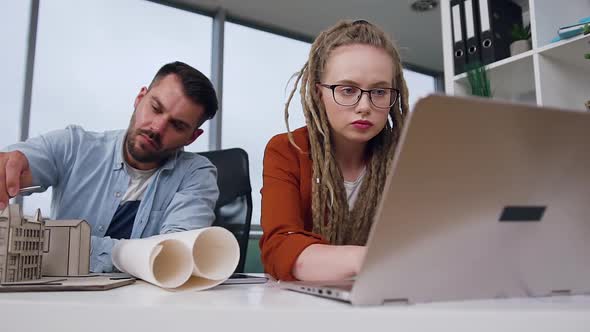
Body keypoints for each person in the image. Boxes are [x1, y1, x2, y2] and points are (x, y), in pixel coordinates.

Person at [0, 61, 219, 272]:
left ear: (192, 137)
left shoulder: (197, 175)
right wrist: (10, 165)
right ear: (139, 98)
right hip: (61, 300)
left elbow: (173, 257)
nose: (157, 128)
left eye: (177, 125)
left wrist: (62, 245)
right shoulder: (73, 145)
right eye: (155, 108)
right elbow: (19, 163)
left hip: (145, 306)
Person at [259, 20, 410, 281]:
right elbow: (279, 247)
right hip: (304, 306)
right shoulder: (287, 150)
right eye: (348, 90)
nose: (364, 105)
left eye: (380, 91)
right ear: (319, 94)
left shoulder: (406, 157)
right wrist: (368, 258)